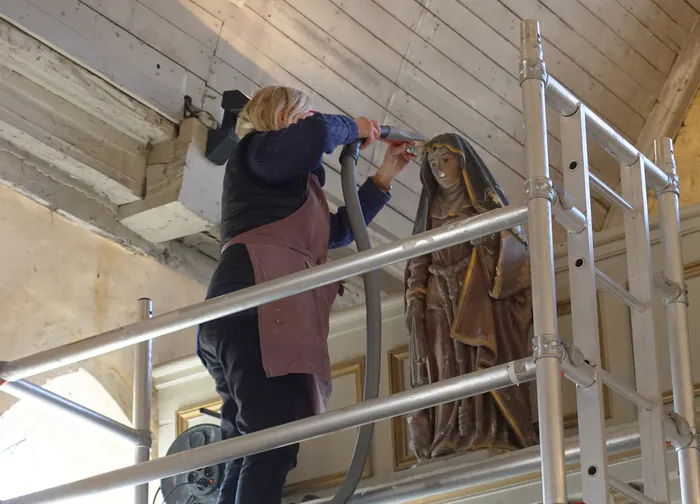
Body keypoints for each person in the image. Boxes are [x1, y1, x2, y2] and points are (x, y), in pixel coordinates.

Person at [196, 85, 415, 503]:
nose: (313, 121)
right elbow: (314, 135)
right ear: (281, 117)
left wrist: (384, 175)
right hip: (258, 309)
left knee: (245, 445)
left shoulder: (281, 187)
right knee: (274, 440)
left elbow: (337, 232)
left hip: (244, 312)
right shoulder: (257, 152)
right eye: (304, 113)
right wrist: (354, 126)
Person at [405, 133, 536, 460]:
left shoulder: (484, 202)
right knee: (446, 364)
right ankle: (451, 434)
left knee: (478, 359)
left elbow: (515, 247)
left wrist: (488, 243)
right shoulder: (431, 207)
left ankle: (487, 430)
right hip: (439, 298)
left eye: (445, 160)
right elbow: (418, 258)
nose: (440, 170)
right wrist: (413, 296)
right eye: (433, 165)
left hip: (477, 293)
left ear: (462, 162)